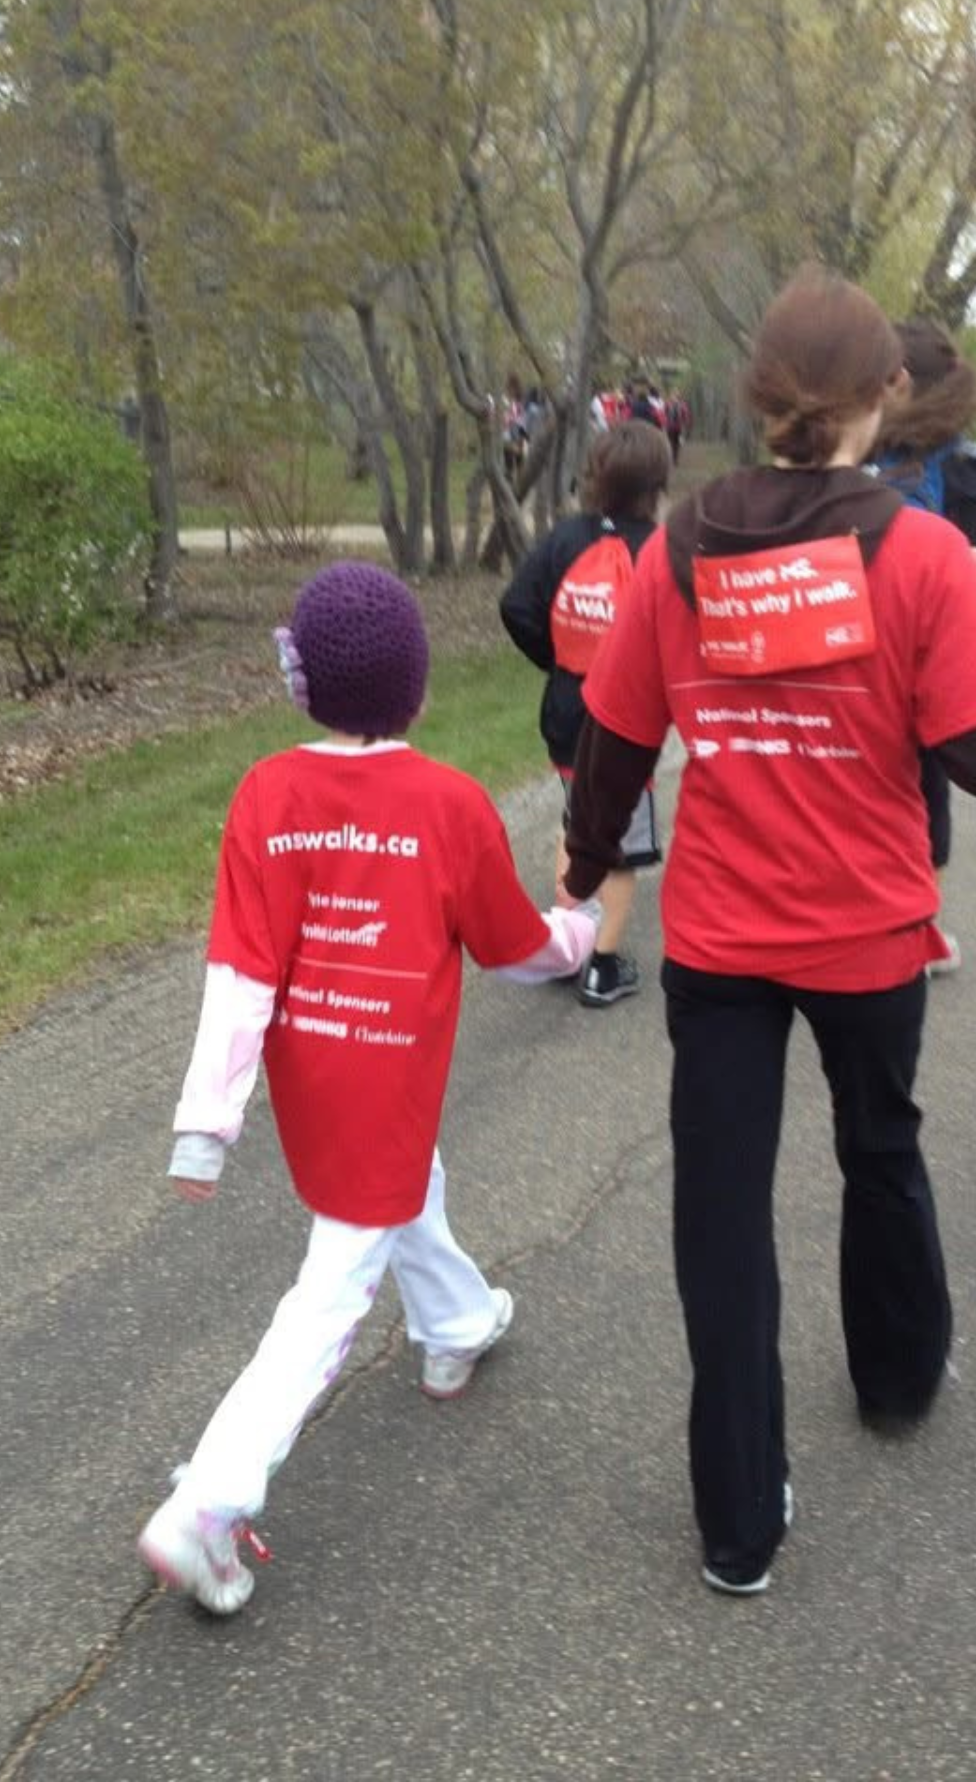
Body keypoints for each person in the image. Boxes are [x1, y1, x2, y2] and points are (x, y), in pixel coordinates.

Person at [561, 266, 976, 1595]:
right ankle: (895, 1381)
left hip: (719, 941)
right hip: (870, 935)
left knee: (723, 1214)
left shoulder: (681, 544)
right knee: (881, 1147)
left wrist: (588, 861)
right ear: (887, 396)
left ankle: (739, 1519)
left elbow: (615, 734)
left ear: (760, 399)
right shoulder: (925, 553)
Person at [138, 562, 599, 1616]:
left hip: (318, 1086)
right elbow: (512, 943)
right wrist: (578, 935)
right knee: (332, 1291)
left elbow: (242, 969)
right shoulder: (447, 803)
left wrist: (209, 1121)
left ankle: (456, 1327)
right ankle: (209, 1502)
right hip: (389, 1078)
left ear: (303, 686)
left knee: (401, 1198)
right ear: (419, 689)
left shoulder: (267, 794)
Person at [500, 420, 671, 1006]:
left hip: (567, 711)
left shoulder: (563, 537)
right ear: (658, 483)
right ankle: (600, 965)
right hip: (628, 722)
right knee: (619, 842)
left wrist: (560, 662)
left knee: (578, 821)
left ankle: (566, 938)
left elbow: (517, 605)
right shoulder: (659, 549)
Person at [871, 318, 976, 976]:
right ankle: (918, 926)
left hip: (858, 655)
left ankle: (897, 919)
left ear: (901, 382)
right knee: (924, 786)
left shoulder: (857, 461)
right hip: (934, 665)